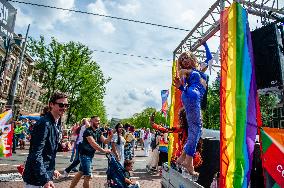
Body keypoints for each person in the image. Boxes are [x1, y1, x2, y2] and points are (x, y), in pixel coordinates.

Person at [23, 92, 69, 188]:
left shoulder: (57, 122)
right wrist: (45, 179)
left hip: (45, 173)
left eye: (66, 105)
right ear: (51, 104)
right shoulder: (44, 123)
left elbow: (48, 148)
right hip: (36, 179)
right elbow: (36, 153)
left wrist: (62, 146)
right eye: (61, 105)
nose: (64, 108)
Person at [173, 51, 207, 176]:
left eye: (187, 58)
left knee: (196, 130)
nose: (185, 61)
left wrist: (204, 45)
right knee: (196, 129)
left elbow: (209, 59)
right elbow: (181, 72)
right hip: (192, 96)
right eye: (182, 60)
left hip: (191, 96)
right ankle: (189, 162)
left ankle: (182, 158)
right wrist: (179, 66)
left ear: (193, 58)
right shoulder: (185, 72)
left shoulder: (199, 71)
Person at [70, 116, 112, 188]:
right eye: (96, 121)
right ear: (91, 122)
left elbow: (105, 141)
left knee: (80, 172)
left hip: (90, 155)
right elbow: (93, 144)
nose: (98, 122)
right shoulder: (88, 131)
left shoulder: (98, 131)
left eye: (99, 121)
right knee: (88, 176)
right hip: (85, 155)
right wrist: (104, 151)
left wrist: (110, 136)